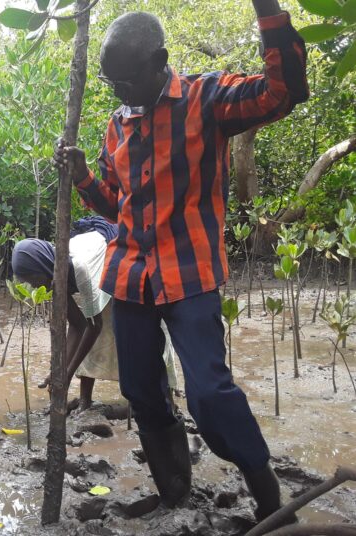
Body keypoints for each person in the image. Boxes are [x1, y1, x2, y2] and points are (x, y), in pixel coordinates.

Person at [53, 0, 307, 526]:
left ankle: (268, 499)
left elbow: (285, 92)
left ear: (160, 61)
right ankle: (173, 495)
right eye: (111, 85)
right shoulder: (116, 125)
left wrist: (268, 11)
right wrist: (81, 177)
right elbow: (114, 205)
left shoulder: (206, 98)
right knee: (141, 392)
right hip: (130, 278)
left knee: (210, 392)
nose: (119, 95)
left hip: (189, 275)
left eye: (125, 82)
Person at [11, 218, 177, 411]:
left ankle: (166, 400)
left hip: (124, 263)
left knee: (141, 333)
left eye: (33, 279)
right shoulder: (54, 272)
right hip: (98, 272)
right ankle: (85, 402)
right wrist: (58, 373)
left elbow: (93, 326)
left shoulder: (77, 267)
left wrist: (67, 374)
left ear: (41, 266)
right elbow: (77, 325)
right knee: (94, 331)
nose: (34, 286)